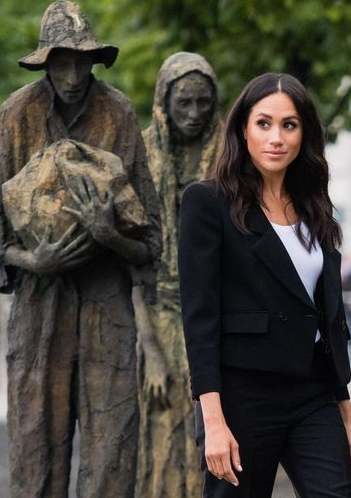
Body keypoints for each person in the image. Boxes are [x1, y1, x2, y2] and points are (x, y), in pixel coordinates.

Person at [0, 0, 160, 497]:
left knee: (111, 458)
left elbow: (151, 243)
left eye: (82, 61)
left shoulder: (118, 112)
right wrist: (35, 260)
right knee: (35, 456)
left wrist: (109, 236)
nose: (73, 73)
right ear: (46, 63)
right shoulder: (17, 114)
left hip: (108, 309)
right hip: (40, 310)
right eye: (62, 62)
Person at [179, 73, 351, 497]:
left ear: (304, 134)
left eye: (289, 124)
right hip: (242, 396)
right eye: (264, 123)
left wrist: (346, 410)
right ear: (243, 129)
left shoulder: (315, 207)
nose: (276, 137)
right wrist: (212, 422)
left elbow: (326, 318)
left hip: (313, 393)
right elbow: (199, 318)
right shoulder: (208, 203)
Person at [136, 52, 221, 498]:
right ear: (163, 101)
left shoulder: (232, 155)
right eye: (183, 102)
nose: (193, 114)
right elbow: (131, 263)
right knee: (163, 438)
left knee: (216, 436)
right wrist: (149, 346)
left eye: (203, 103)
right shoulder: (142, 152)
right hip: (160, 315)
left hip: (220, 319)